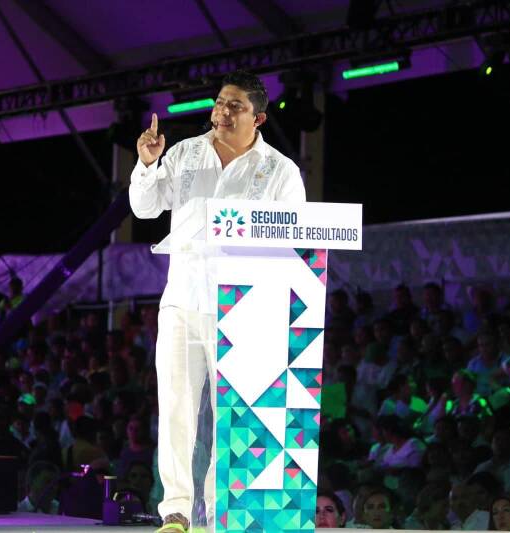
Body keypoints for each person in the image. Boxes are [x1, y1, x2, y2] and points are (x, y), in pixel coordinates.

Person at [129, 70, 305, 532]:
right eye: (220, 103)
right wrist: (147, 164)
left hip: (243, 306)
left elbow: (296, 239)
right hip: (183, 299)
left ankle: (218, 513)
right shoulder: (186, 152)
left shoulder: (281, 171)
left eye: (236, 106)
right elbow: (145, 208)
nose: (223, 112)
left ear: (258, 117)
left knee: (233, 418)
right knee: (177, 409)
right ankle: (176, 512)